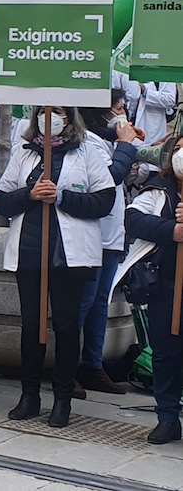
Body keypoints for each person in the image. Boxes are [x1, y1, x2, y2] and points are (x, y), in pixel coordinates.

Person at [0, 106, 115, 428]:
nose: (52, 118)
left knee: (66, 326)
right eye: (44, 112)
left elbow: (104, 202)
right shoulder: (24, 153)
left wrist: (61, 198)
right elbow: (2, 200)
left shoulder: (88, 153)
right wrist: (30, 195)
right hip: (30, 251)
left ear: (69, 117)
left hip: (70, 255)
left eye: (58, 112)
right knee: (31, 325)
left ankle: (62, 398)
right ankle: (29, 395)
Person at [75, 94, 138, 395]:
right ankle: (68, 367)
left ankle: (93, 365)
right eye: (117, 108)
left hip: (112, 234)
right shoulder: (85, 140)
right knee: (83, 303)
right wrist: (125, 146)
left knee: (101, 302)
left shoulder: (104, 141)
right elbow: (108, 176)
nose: (122, 114)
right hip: (92, 234)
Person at [125, 136, 183, 444]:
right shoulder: (160, 193)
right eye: (178, 150)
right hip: (168, 287)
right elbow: (132, 218)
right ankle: (167, 416)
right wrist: (171, 230)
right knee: (165, 354)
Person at [136, 82, 177, 155]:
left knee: (150, 157)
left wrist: (146, 92)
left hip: (152, 127)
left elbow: (170, 100)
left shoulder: (164, 72)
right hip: (131, 120)